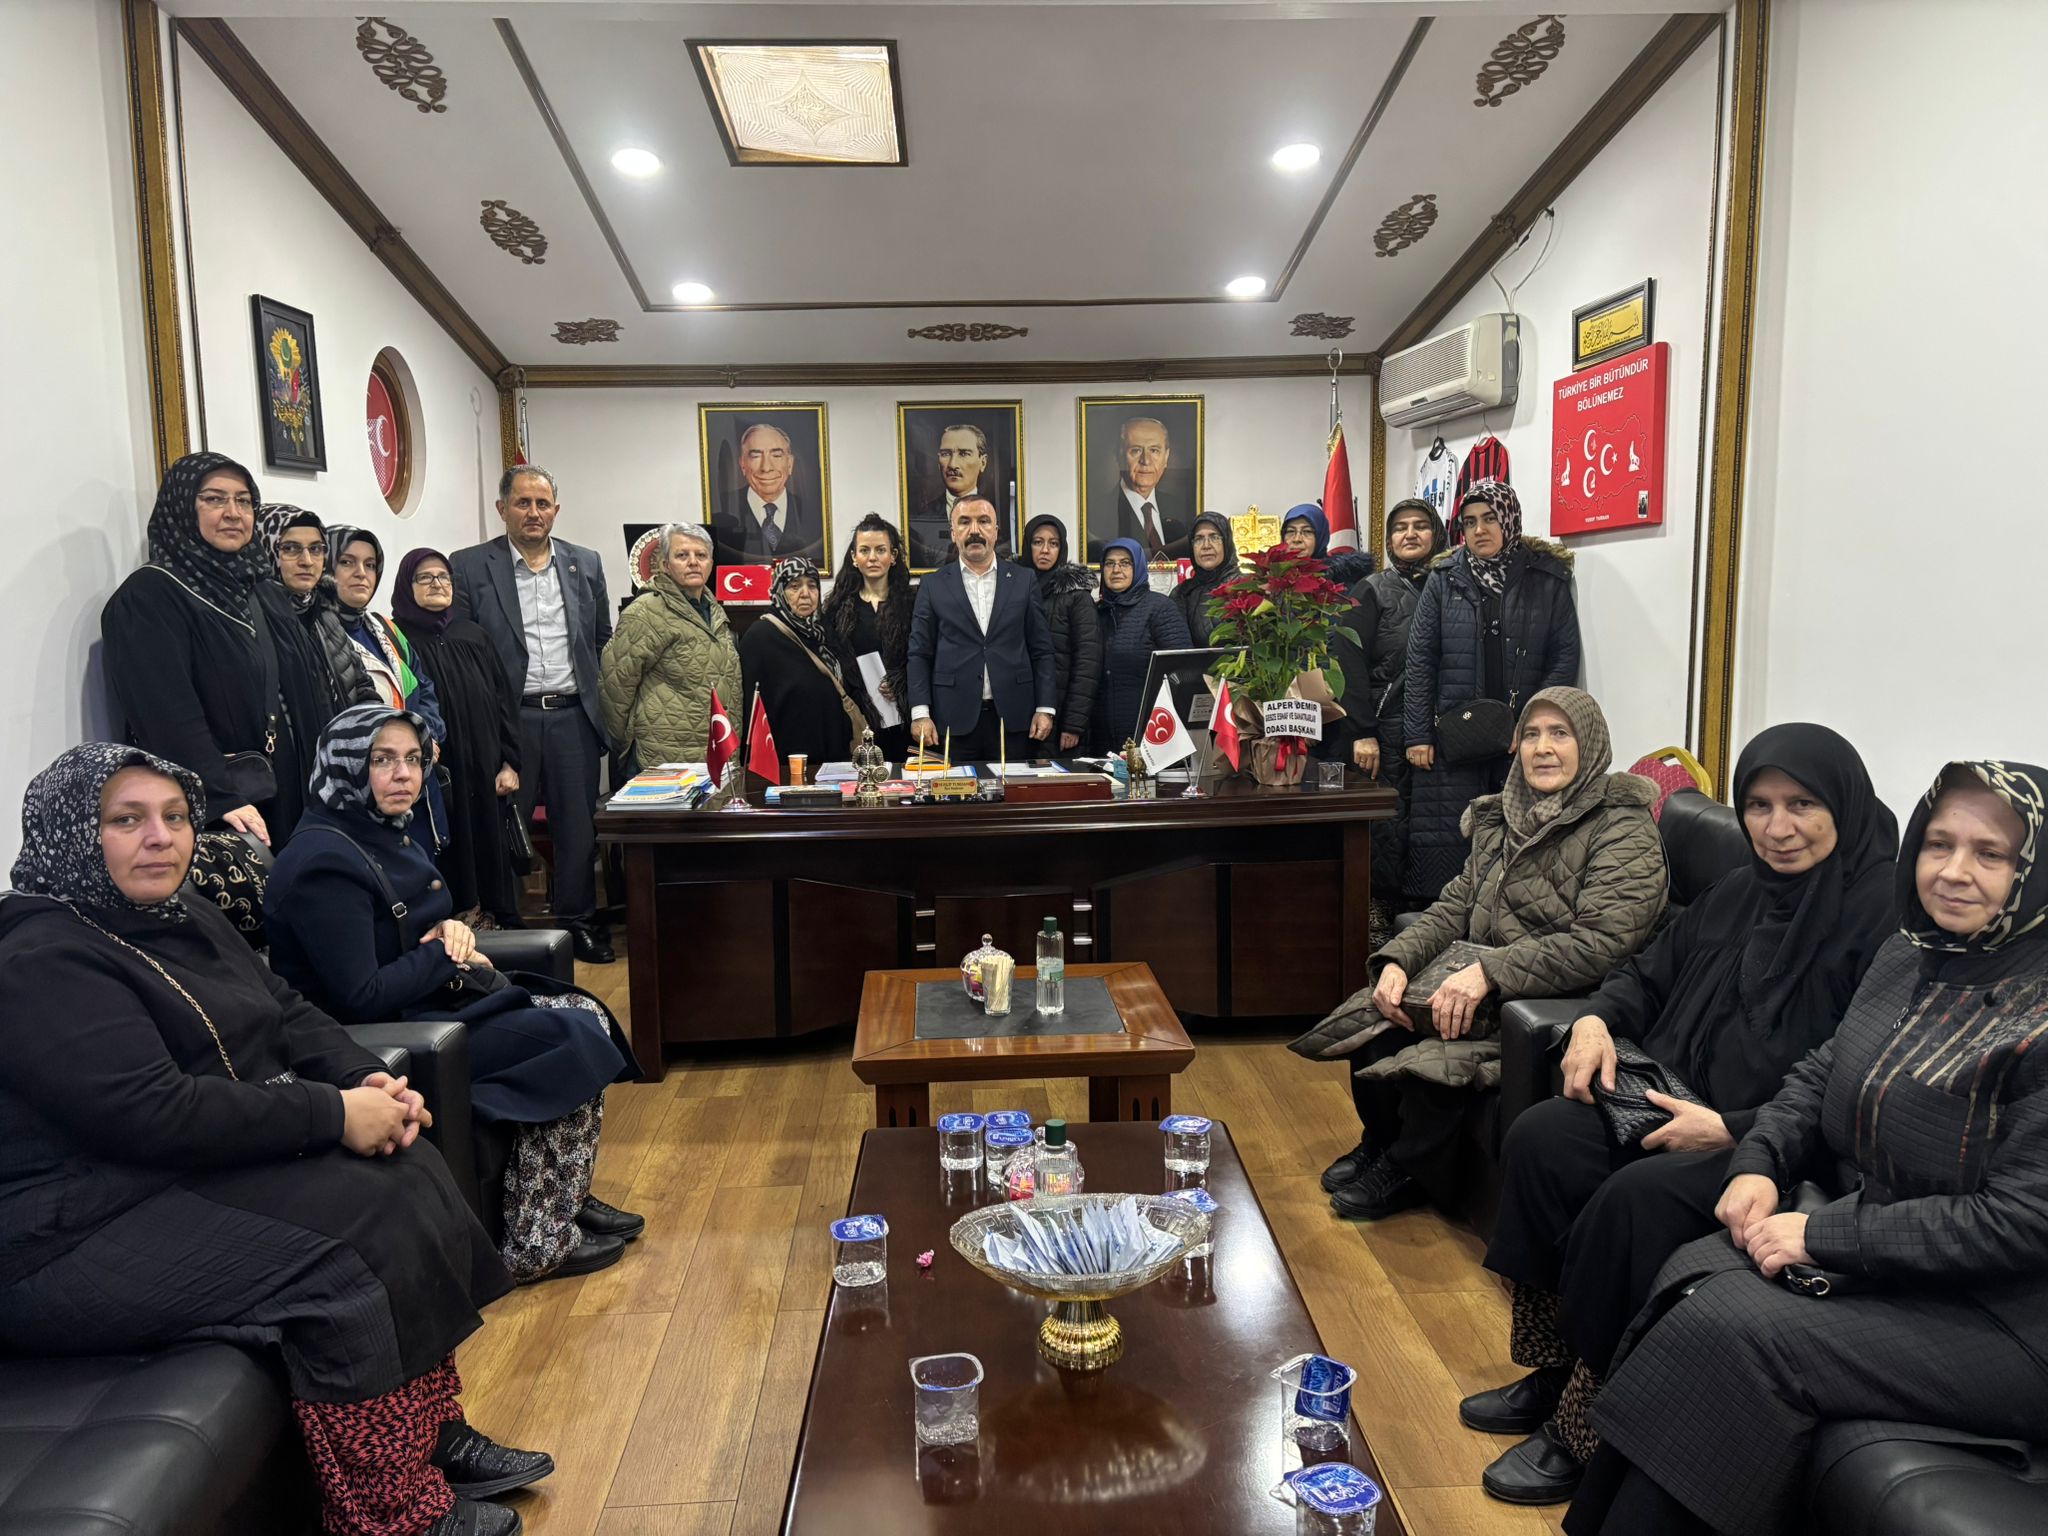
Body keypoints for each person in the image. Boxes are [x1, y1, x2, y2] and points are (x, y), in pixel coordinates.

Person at [0, 743, 549, 1536]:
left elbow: (283, 1008)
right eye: (126, 820)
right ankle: (388, 1510)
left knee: (403, 1177)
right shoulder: (40, 957)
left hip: (160, 1177)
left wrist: (366, 1078)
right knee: (346, 1252)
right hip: (65, 1234)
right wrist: (333, 1115)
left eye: (176, 817)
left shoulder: (180, 911)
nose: (160, 838)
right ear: (71, 833)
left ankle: (426, 1431)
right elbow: (150, 1113)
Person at [1565, 760, 2048, 1536]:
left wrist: (1823, 1235)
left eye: (1991, 854)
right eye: (1939, 844)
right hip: (1905, 1261)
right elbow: (1823, 1072)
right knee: (1693, 1280)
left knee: (1736, 1331)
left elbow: (2021, 1222)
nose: (1954, 872)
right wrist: (1759, 1160)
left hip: (2009, 1318)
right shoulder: (1910, 955)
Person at [1470, 724, 1899, 1506]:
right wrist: (1596, 1020)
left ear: (1843, 806)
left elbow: (1856, 1080)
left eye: (1802, 805)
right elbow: (1645, 975)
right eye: (1760, 805)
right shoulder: (1741, 889)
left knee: (1636, 1203)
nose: (1778, 827)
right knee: (1543, 1138)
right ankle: (1556, 1367)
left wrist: (1733, 1129)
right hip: (1675, 1099)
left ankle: (1585, 1427)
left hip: (1780, 1144)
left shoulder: (1882, 923)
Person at [264, 706, 643, 1286]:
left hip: (433, 1002)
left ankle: (560, 1195)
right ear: (344, 765)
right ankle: (537, 1239)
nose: (404, 774)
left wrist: (450, 933)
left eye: (413, 759)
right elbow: (360, 995)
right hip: (388, 1037)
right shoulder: (324, 862)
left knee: (581, 1009)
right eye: (382, 760)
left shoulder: (380, 827)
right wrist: (446, 953)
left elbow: (413, 926)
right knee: (569, 1035)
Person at [1292, 688, 1665, 1221]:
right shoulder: (1506, 815)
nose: (1543, 748)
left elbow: (1602, 943)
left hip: (1548, 999)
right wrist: (1397, 960)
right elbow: (1454, 905)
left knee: (1434, 1065)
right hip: (1476, 980)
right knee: (1374, 1019)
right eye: (1531, 734)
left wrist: (1490, 971)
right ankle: (1382, 1142)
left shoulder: (1623, 827)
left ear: (1590, 744)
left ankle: (1410, 1170)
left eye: (1560, 734)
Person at [450, 466, 615, 966]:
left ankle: (577, 922)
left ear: (556, 510)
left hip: (572, 716)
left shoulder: (584, 562)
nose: (534, 513)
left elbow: (601, 638)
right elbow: (462, 649)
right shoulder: (469, 566)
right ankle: (506, 927)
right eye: (523, 503)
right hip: (509, 721)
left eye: (543, 504)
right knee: (504, 824)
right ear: (502, 508)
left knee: (577, 829)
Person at [1405, 480, 1581, 903]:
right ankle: (1440, 925)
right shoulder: (1443, 579)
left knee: (1515, 842)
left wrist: (1534, 726)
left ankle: (1502, 922)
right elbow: (1420, 659)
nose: (1479, 530)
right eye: (1469, 522)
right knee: (1448, 841)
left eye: (1489, 519)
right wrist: (1417, 736)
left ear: (1509, 520)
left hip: (1518, 738)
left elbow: (1563, 657)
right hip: (1454, 735)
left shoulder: (1546, 579)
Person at [102, 451, 289, 847]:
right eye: (214, 499)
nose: (233, 513)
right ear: (183, 507)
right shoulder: (150, 596)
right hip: (211, 808)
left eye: (243, 501)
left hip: (272, 789)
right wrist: (218, 796)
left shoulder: (255, 589)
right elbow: (166, 713)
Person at [1325, 499, 1449, 930]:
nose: (1410, 534)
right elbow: (1347, 662)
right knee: (1388, 827)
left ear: (1437, 533)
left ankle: (1426, 916)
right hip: (1384, 725)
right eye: (1400, 527)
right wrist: (1362, 732)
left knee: (1432, 827)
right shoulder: (1372, 589)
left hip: (1442, 729)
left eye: (1420, 526)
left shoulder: (1452, 584)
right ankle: (1379, 913)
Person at [392, 548, 524, 930]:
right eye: (425, 577)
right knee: (449, 846)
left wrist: (510, 761)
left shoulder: (473, 634)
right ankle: (455, 928)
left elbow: (503, 701)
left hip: (485, 767)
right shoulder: (397, 639)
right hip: (437, 774)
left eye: (444, 577)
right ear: (406, 585)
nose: (437, 584)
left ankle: (496, 923)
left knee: (489, 844)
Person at [254, 506, 378, 843]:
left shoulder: (325, 612)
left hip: (336, 770)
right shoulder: (254, 617)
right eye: (291, 548)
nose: (307, 560)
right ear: (267, 550)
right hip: (284, 775)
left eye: (316, 549)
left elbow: (359, 683)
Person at [328, 525, 451, 853]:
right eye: (347, 562)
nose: (361, 573)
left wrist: (426, 736)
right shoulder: (319, 635)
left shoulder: (385, 629)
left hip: (414, 775)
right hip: (365, 787)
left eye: (370, 565)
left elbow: (423, 686)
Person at [908, 496, 1056, 764]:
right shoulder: (932, 585)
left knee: (1013, 789)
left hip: (1015, 717)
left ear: (996, 531)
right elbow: (919, 654)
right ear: (953, 533)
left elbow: (1042, 650)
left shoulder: (1023, 580)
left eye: (984, 521)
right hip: (952, 718)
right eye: (964, 522)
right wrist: (920, 713)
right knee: (958, 790)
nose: (974, 530)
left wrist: (1045, 708)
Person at [600, 523, 744, 776]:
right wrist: (628, 745)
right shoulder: (645, 612)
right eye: (682, 555)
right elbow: (614, 688)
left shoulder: (714, 610)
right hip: (664, 760)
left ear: (711, 563)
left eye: (701, 555)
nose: (693, 562)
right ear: (665, 565)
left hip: (714, 755)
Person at [740, 557, 866, 770]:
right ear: (779, 591)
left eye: (812, 585)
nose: (805, 593)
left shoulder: (825, 632)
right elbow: (750, 712)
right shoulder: (761, 637)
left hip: (834, 757)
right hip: (788, 762)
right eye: (794, 586)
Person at [823, 514, 913, 764]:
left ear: (893, 556)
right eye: (864, 550)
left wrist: (902, 682)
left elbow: (928, 656)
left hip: (908, 718)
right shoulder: (836, 609)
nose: (872, 557)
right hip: (858, 719)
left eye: (880, 550)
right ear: (854, 557)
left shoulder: (914, 604)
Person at [1091, 538, 1192, 753]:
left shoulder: (1160, 608)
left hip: (1151, 730)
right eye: (1109, 563)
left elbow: (1182, 671)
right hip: (1100, 734)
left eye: (1125, 563)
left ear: (1138, 566)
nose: (1116, 570)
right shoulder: (1096, 612)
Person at [1015, 514, 1102, 753]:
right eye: (1037, 542)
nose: (1045, 550)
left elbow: (1088, 663)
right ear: (1027, 545)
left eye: (1053, 543)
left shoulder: (1076, 596)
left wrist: (1074, 724)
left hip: (1061, 717)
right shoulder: (1012, 590)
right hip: (1017, 712)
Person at [708, 424, 824, 566]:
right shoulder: (724, 515)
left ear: (790, 463)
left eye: (776, 455)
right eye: (756, 456)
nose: (766, 467)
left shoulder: (813, 515)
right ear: (743, 464)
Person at [1087, 416, 1190, 561]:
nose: (1146, 461)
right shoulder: (1097, 514)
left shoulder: (1179, 509)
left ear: (1166, 457)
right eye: (1135, 450)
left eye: (1154, 450)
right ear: (1119, 456)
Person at [908, 424, 1008, 568]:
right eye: (945, 454)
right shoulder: (923, 519)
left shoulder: (1001, 517)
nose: (952, 464)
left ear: (983, 462)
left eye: (964, 453)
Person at [1171, 511, 1241, 646]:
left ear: (1226, 543)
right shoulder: (1181, 593)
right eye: (1199, 539)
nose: (1206, 546)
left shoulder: (1247, 586)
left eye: (1214, 537)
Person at [1278, 501, 1375, 588]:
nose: (1297, 539)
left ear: (1320, 537)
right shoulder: (1273, 579)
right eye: (1290, 531)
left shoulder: (1342, 584)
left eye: (1307, 531)